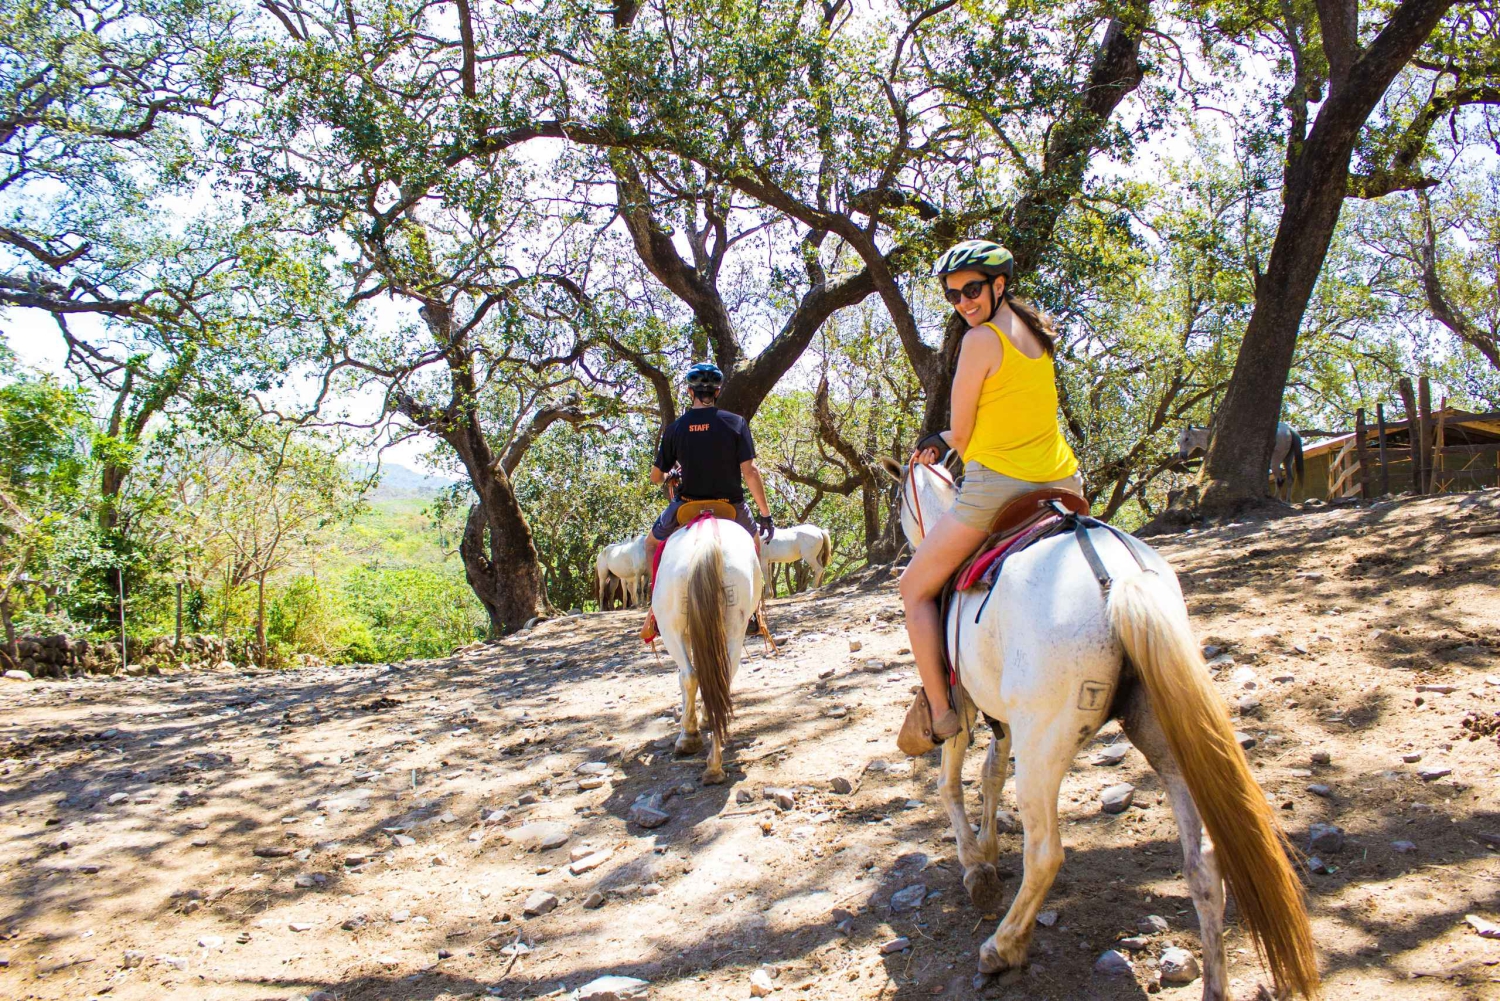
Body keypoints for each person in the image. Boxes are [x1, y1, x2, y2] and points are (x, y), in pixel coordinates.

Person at [900, 240, 1082, 740]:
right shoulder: (1037, 333)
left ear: (999, 285)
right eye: (953, 295)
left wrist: (935, 440)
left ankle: (941, 713)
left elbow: (960, 435)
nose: (964, 302)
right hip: (1064, 481)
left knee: (913, 589)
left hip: (997, 488)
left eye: (972, 289)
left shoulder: (979, 340)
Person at [640, 362, 774, 642]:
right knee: (754, 543)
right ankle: (754, 612)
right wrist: (765, 513)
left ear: (690, 392)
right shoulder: (735, 422)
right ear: (718, 390)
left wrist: (670, 472)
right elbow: (750, 472)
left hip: (687, 504)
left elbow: (655, 477)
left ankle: (655, 610)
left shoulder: (676, 428)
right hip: (730, 505)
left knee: (651, 544)